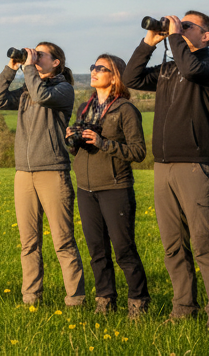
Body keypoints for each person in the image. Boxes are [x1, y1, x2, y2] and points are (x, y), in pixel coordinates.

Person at [122, 11, 209, 329]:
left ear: (205, 36)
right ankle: (183, 308)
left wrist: (173, 36)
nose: (179, 29)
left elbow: (191, 67)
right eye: (178, 24)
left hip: (196, 165)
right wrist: (148, 43)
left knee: (204, 243)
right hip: (163, 166)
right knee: (173, 245)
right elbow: (132, 79)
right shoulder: (170, 69)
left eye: (187, 26)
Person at [0, 41, 87, 309]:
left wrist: (29, 69)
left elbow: (42, 96)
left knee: (63, 241)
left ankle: (75, 300)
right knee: (28, 243)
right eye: (34, 53)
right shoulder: (26, 89)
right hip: (24, 173)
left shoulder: (63, 89)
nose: (35, 56)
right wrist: (11, 68)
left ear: (56, 62)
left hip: (53, 171)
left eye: (40, 54)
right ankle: (31, 298)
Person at [67, 53, 149, 319]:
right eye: (93, 66)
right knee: (96, 251)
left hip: (115, 187)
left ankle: (138, 301)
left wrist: (102, 142)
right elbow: (77, 151)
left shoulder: (125, 109)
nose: (93, 71)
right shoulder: (84, 107)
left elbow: (138, 152)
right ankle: (105, 300)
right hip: (86, 188)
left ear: (115, 77)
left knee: (124, 250)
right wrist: (72, 139)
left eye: (100, 68)